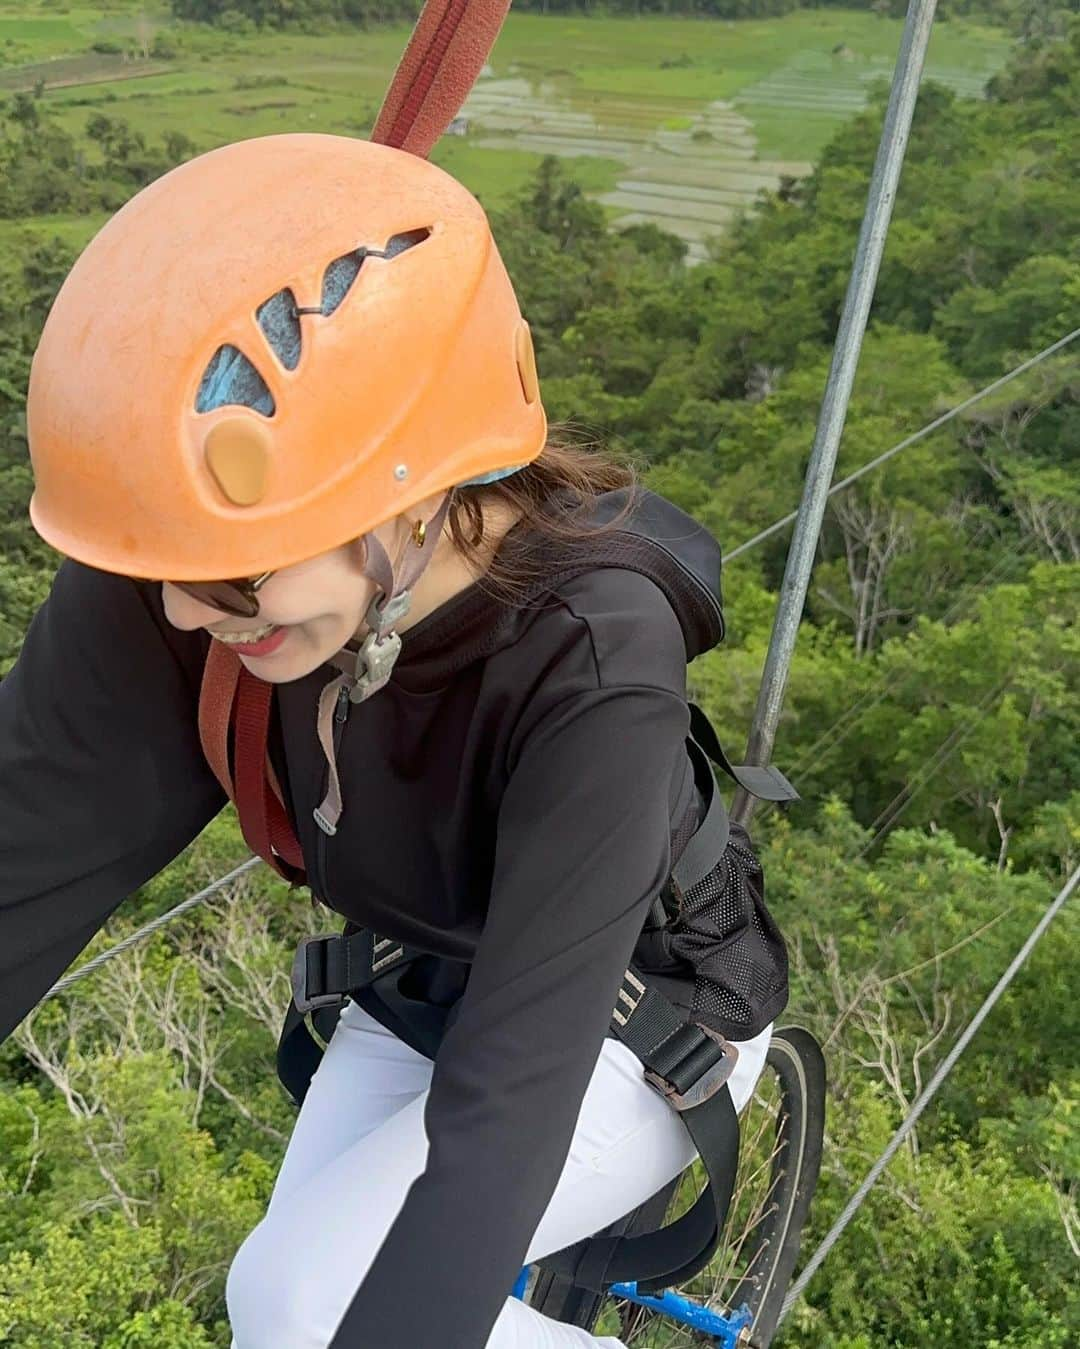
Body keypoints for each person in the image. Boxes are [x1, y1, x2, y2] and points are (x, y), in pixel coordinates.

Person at [0, 133, 788, 1348]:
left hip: (647, 1009)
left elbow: (513, 1100)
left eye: (232, 580)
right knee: (277, 1301)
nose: (181, 615)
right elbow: (17, 855)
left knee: (317, 1306)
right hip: (427, 978)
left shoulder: (590, 654)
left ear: (409, 489)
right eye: (157, 573)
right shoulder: (199, 559)